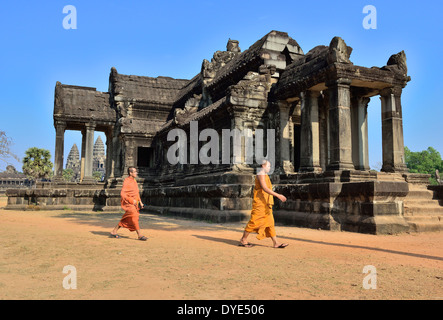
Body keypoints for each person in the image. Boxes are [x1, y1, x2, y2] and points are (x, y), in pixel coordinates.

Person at [239, 160, 289, 248]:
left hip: (266, 202)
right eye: (268, 166)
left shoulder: (265, 175)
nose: (270, 168)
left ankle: (276, 243)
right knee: (254, 221)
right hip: (260, 202)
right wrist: (278, 195)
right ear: (263, 166)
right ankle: (243, 239)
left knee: (270, 222)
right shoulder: (260, 174)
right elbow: (265, 188)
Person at [110, 166, 147, 240]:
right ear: (130, 173)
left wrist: (141, 202)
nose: (136, 173)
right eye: (135, 172)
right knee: (134, 217)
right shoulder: (127, 181)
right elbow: (123, 194)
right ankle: (139, 235)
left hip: (135, 203)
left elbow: (136, 193)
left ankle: (114, 231)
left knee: (126, 218)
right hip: (128, 203)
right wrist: (130, 200)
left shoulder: (134, 181)